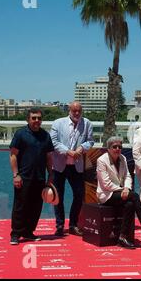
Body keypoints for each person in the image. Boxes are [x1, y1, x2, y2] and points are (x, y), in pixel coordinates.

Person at [96, 137, 141, 249]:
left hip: (120, 192)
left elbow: (127, 176)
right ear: (108, 148)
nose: (117, 149)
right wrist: (123, 189)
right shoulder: (101, 160)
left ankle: (122, 237)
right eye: (114, 147)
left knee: (130, 204)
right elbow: (106, 184)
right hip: (106, 194)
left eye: (120, 147)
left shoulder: (123, 158)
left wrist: (126, 188)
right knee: (135, 196)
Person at [9, 107, 54, 245]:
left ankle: (28, 232)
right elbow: (13, 155)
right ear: (28, 119)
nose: (36, 120)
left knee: (35, 207)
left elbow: (48, 157)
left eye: (39, 118)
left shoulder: (45, 136)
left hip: (39, 178)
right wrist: (16, 175)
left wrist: (50, 175)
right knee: (20, 206)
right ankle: (16, 234)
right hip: (23, 177)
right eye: (34, 118)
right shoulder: (20, 134)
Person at [50, 101, 94, 237]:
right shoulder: (58, 123)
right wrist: (68, 151)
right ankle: (59, 225)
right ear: (69, 110)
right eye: (74, 111)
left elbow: (90, 141)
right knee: (58, 197)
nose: (77, 113)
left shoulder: (87, 123)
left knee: (79, 195)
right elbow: (53, 141)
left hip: (77, 166)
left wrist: (82, 148)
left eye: (79, 111)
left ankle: (73, 224)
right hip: (59, 165)